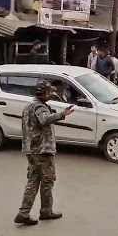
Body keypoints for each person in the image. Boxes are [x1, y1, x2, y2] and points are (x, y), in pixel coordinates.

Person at [14, 81, 74, 226]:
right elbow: (44, 119)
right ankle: (46, 211)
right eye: (49, 92)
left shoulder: (29, 106)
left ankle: (23, 213)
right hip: (42, 150)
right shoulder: (39, 107)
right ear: (44, 93)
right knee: (47, 181)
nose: (51, 94)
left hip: (31, 150)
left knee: (33, 182)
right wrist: (62, 114)